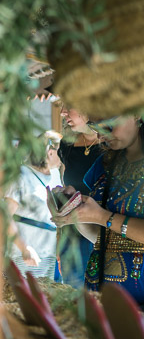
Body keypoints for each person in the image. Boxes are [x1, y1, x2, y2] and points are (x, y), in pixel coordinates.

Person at [54, 115, 144, 305]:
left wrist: (104, 217)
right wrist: (76, 212)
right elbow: (100, 237)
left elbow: (104, 220)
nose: (101, 136)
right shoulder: (105, 163)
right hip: (103, 297)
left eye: (109, 126)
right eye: (96, 127)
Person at [55, 104, 104, 286]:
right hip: (71, 234)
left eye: (69, 105)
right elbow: (67, 185)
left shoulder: (115, 144)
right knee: (72, 298)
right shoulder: (67, 145)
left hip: (103, 232)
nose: (62, 112)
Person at [4, 134, 63, 280]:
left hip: (49, 256)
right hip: (25, 255)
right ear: (50, 152)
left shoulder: (55, 177)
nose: (64, 156)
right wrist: (24, 248)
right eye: (61, 151)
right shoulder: (21, 176)